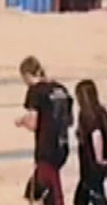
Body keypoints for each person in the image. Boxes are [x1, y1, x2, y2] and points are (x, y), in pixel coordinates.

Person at [14, 56, 73, 205]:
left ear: (27, 75)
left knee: (49, 190)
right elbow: (70, 120)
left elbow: (34, 123)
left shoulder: (35, 91)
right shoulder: (61, 89)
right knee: (41, 187)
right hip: (62, 146)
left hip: (46, 148)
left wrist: (22, 121)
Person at [74, 80, 107, 205]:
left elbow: (96, 134)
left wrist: (99, 159)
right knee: (83, 197)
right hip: (104, 163)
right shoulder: (103, 113)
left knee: (95, 195)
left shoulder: (86, 114)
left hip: (91, 165)